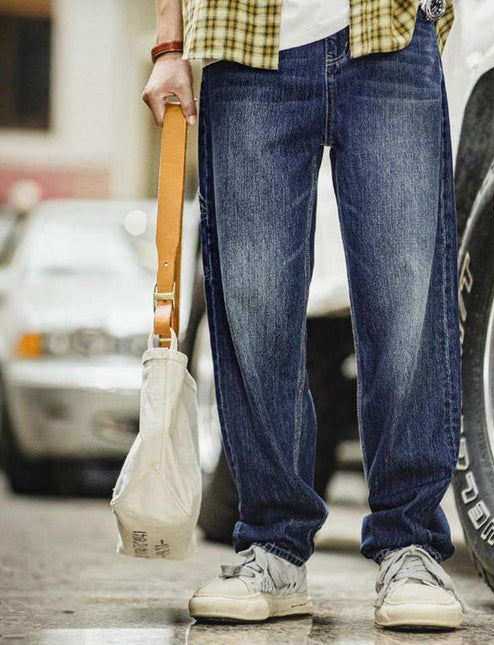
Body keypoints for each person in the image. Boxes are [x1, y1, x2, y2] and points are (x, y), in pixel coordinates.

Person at [143, 0, 467, 630]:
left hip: (389, 29)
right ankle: (273, 547)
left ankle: (412, 547)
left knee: (406, 308)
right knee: (254, 310)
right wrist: (168, 44)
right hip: (245, 40)